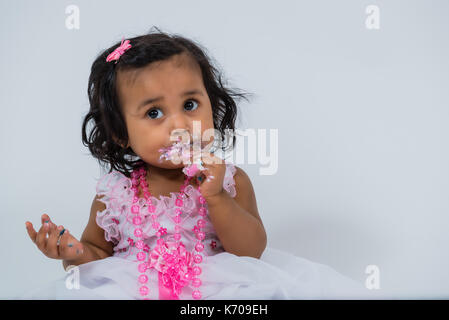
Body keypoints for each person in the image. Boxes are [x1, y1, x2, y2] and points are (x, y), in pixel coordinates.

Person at [20, 27, 375, 300]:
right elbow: (100, 254)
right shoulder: (114, 193)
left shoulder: (231, 181)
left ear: (212, 104)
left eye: (190, 104)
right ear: (120, 133)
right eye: (154, 112)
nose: (179, 125)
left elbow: (250, 252)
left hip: (219, 286)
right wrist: (75, 253)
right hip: (135, 287)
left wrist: (218, 197)